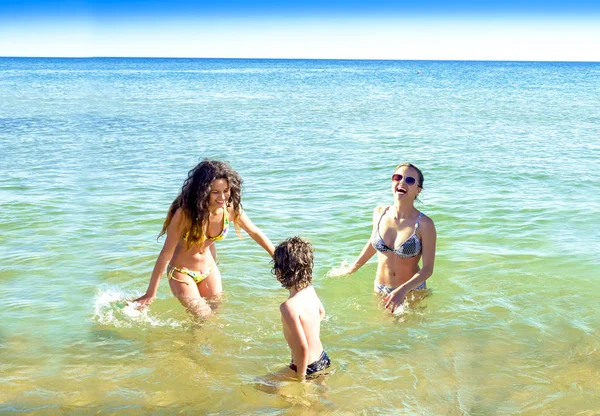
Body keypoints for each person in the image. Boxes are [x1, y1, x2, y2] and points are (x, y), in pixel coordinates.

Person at [134, 159, 275, 318]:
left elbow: (254, 232)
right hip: (182, 273)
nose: (222, 197)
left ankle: (188, 342)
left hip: (209, 270)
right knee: (203, 316)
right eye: (215, 192)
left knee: (214, 316)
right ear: (203, 191)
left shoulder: (230, 209)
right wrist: (150, 293)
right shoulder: (185, 214)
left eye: (226, 190)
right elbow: (166, 253)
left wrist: (276, 256)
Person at [344, 163, 437, 314]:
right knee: (382, 333)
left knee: (408, 334)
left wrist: (401, 291)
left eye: (409, 180)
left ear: (418, 190)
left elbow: (427, 269)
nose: (402, 182)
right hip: (380, 288)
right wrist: (351, 269)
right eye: (397, 177)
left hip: (411, 292)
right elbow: (372, 243)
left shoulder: (425, 224)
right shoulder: (380, 212)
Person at [272, 236, 331, 380]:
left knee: (259, 386)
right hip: (322, 358)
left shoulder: (288, 307)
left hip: (305, 367)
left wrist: (301, 378)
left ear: (279, 272)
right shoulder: (310, 289)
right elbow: (321, 312)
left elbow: (303, 348)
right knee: (322, 397)